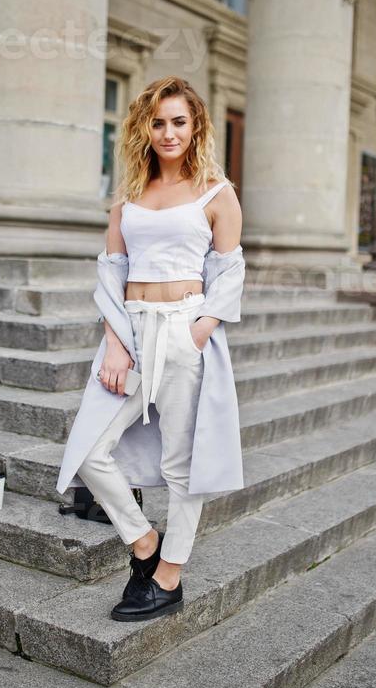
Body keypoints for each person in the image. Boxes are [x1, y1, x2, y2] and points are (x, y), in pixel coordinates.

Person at [57, 76, 244, 622]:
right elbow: (110, 274)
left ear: (196, 126)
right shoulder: (129, 196)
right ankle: (145, 544)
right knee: (90, 450)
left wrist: (198, 331)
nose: (168, 132)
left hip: (186, 329)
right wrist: (116, 342)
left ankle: (169, 576)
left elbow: (229, 273)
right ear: (146, 127)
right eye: (158, 122)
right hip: (131, 330)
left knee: (182, 463)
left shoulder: (216, 191)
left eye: (179, 121)